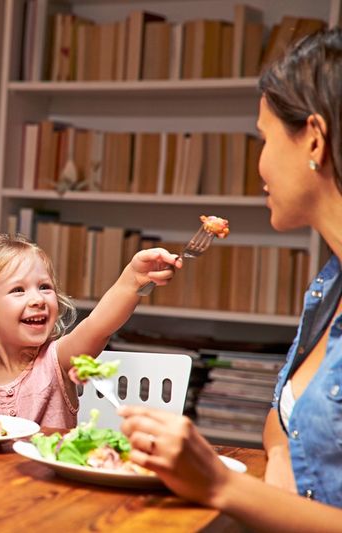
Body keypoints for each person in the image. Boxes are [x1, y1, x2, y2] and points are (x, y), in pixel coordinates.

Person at [119, 27, 342, 530]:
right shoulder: (329, 288)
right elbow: (283, 426)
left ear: (314, 138)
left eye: (263, 139)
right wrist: (281, 457)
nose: (258, 164)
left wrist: (220, 484)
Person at [0, 233, 180, 426]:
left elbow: (98, 326)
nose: (38, 299)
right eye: (18, 290)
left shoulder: (58, 360)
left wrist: (133, 278)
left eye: (45, 287)